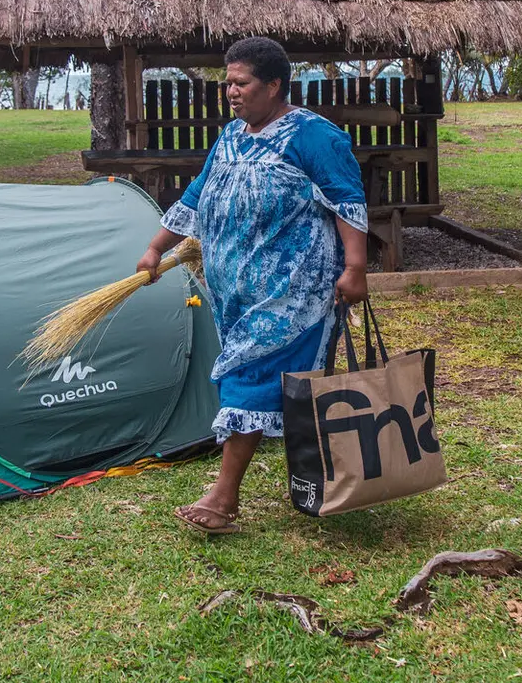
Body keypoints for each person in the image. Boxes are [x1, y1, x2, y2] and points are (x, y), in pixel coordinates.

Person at [134, 37, 369, 534]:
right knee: (280, 383)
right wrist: (157, 247)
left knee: (250, 375)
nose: (231, 93)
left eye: (241, 84)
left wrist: (355, 268)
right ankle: (326, 476)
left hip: (294, 290)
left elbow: (347, 202)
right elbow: (198, 196)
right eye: (228, 84)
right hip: (236, 293)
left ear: (274, 85)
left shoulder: (313, 136)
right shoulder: (232, 136)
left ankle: (222, 497)